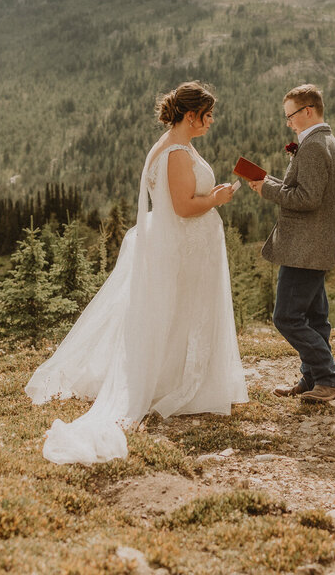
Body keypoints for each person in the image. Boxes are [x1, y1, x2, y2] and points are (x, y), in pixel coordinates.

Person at [25, 81, 248, 464]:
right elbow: (181, 206)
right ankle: (176, 383)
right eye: (207, 115)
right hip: (184, 248)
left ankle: (177, 376)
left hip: (184, 247)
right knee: (181, 314)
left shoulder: (175, 145)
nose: (211, 122)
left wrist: (210, 199)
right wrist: (218, 198)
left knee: (179, 314)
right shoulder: (176, 152)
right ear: (191, 115)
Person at [248, 84, 335, 402]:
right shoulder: (325, 140)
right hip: (312, 246)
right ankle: (313, 377)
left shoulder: (315, 146)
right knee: (316, 318)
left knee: (286, 316)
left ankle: (329, 378)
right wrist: (269, 182)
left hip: (304, 247)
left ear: (308, 111)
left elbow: (307, 198)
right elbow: (302, 188)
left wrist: (268, 191)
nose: (288, 122)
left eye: (291, 115)